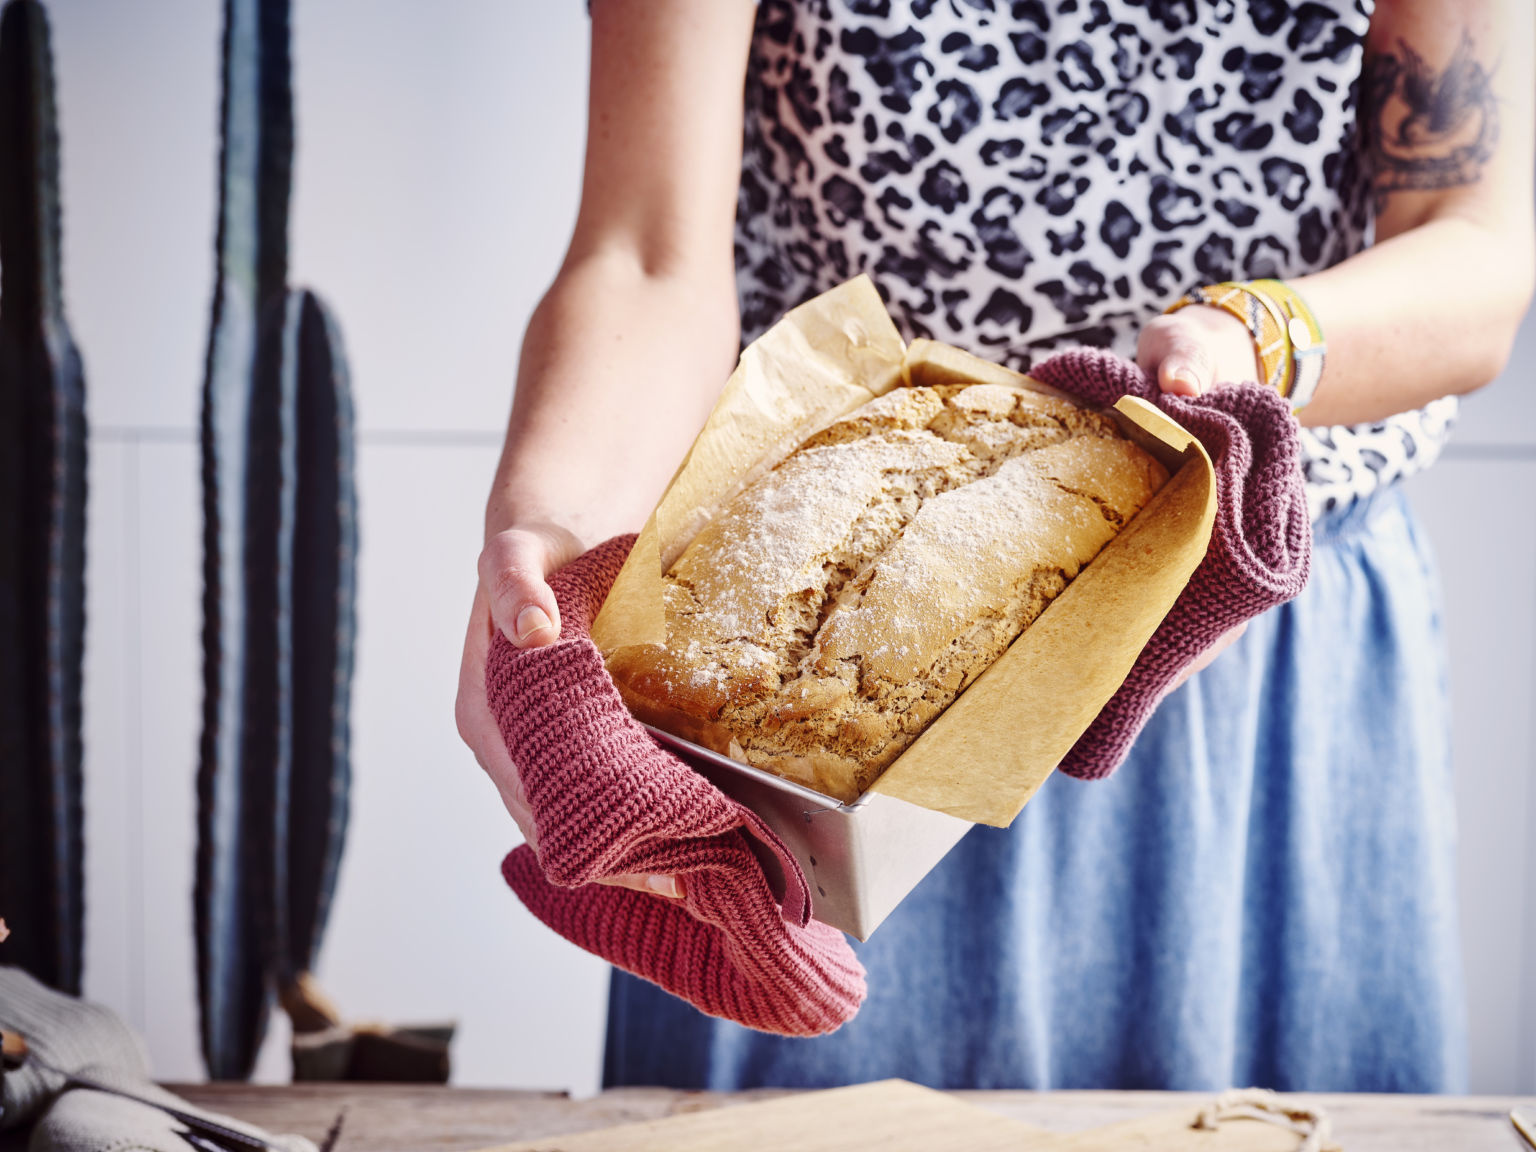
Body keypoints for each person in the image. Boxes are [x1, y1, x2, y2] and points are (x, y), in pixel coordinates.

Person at [456, 0, 1534, 1092]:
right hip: (811, 676)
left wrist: (1256, 337)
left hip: (1260, 651)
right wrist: (555, 533)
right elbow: (647, 249)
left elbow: (1478, 249)